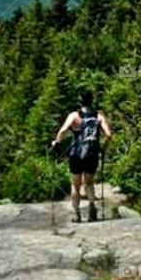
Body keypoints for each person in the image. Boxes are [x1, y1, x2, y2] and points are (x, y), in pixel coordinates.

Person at [52, 89, 112, 222]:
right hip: (92, 154)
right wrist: (103, 148)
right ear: (92, 100)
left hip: (76, 155)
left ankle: (76, 214)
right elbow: (108, 135)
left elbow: (62, 131)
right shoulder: (98, 116)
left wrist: (56, 144)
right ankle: (92, 210)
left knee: (75, 184)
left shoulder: (74, 116)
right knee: (89, 182)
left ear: (80, 101)